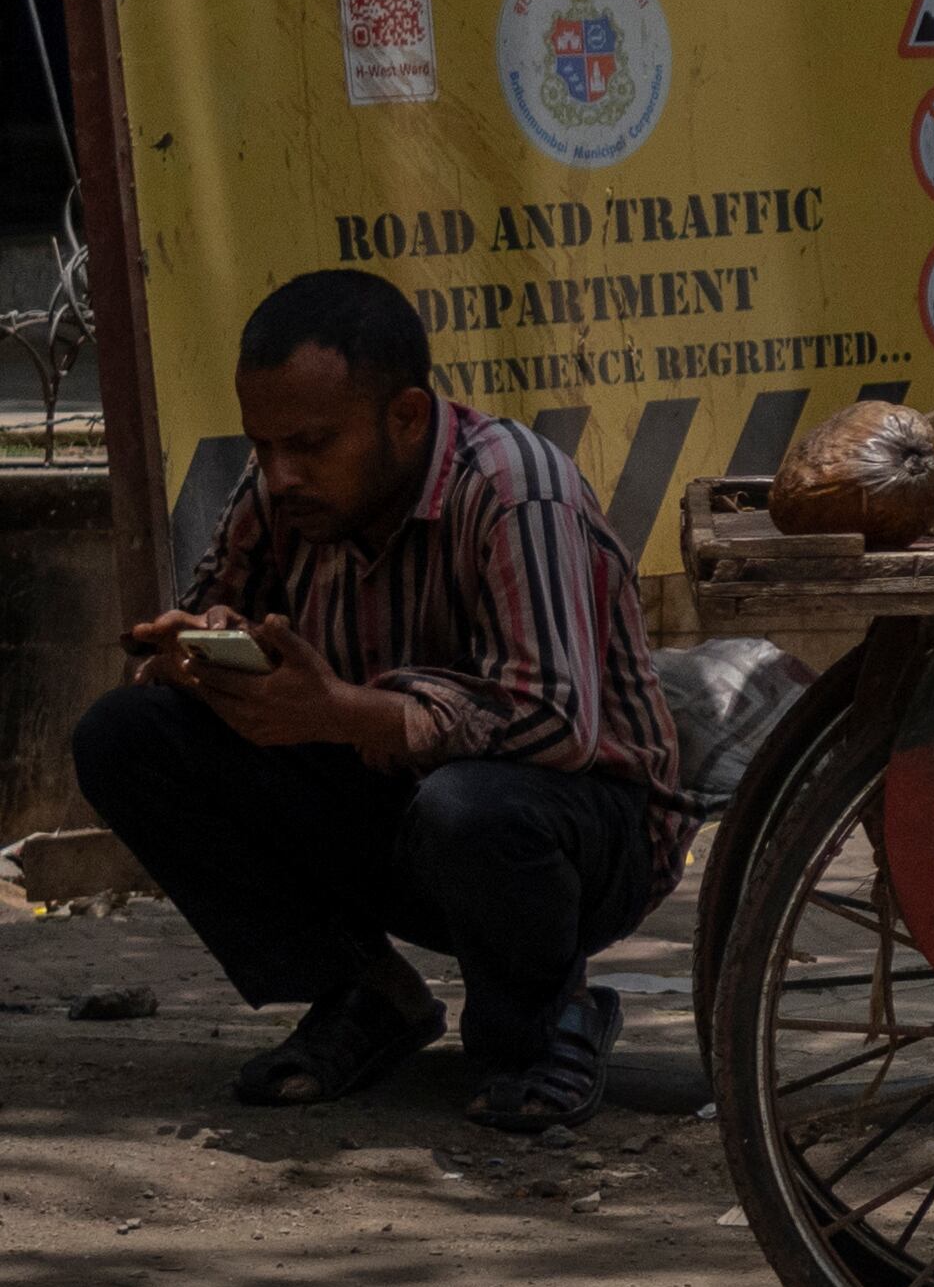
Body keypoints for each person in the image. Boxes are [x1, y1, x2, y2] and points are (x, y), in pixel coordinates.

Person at [74, 268, 689, 1134]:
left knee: (470, 806)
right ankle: (362, 993)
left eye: (311, 445)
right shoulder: (285, 490)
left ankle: (551, 1020)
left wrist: (339, 711)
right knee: (126, 733)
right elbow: (225, 603)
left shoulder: (515, 490)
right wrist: (203, 646)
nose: (280, 473)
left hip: (585, 831)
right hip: (396, 807)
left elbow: (554, 721)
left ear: (404, 416)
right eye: (263, 446)